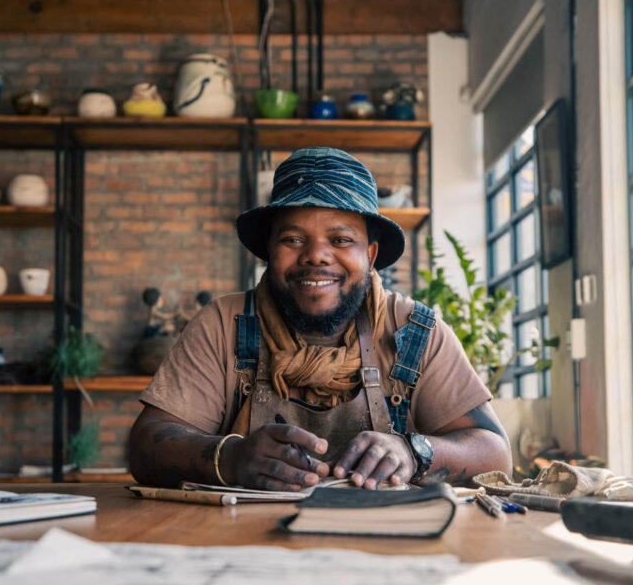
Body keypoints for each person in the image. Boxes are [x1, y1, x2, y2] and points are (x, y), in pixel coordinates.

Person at [129, 147, 511, 491]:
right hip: (245, 549)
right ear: (268, 250)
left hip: (386, 549)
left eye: (340, 240)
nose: (316, 256)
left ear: (371, 255)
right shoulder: (223, 324)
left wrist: (413, 452)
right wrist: (230, 458)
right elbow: (146, 444)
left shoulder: (414, 332)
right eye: (293, 240)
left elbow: (495, 454)